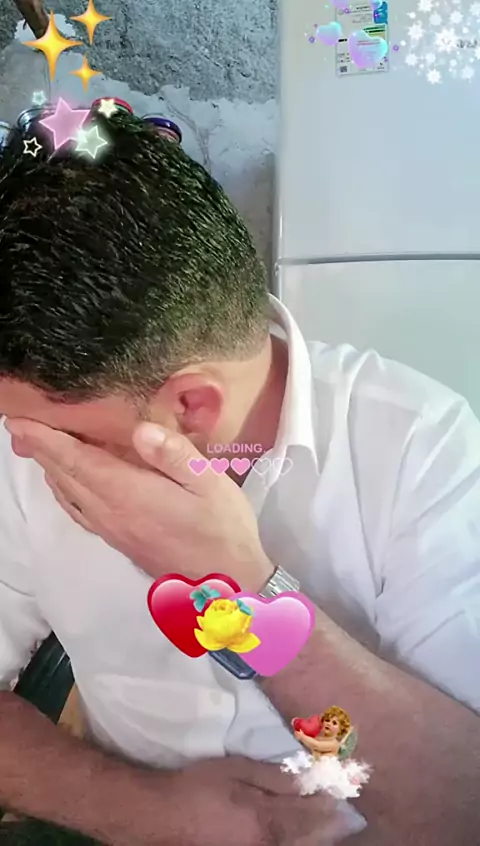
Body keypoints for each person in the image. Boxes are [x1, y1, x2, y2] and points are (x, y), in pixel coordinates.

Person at [0, 111, 479, 846]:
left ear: (191, 407)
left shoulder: (420, 445)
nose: (23, 450)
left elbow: (462, 808)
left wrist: (243, 588)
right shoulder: (29, 425)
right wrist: (142, 811)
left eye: (56, 438)